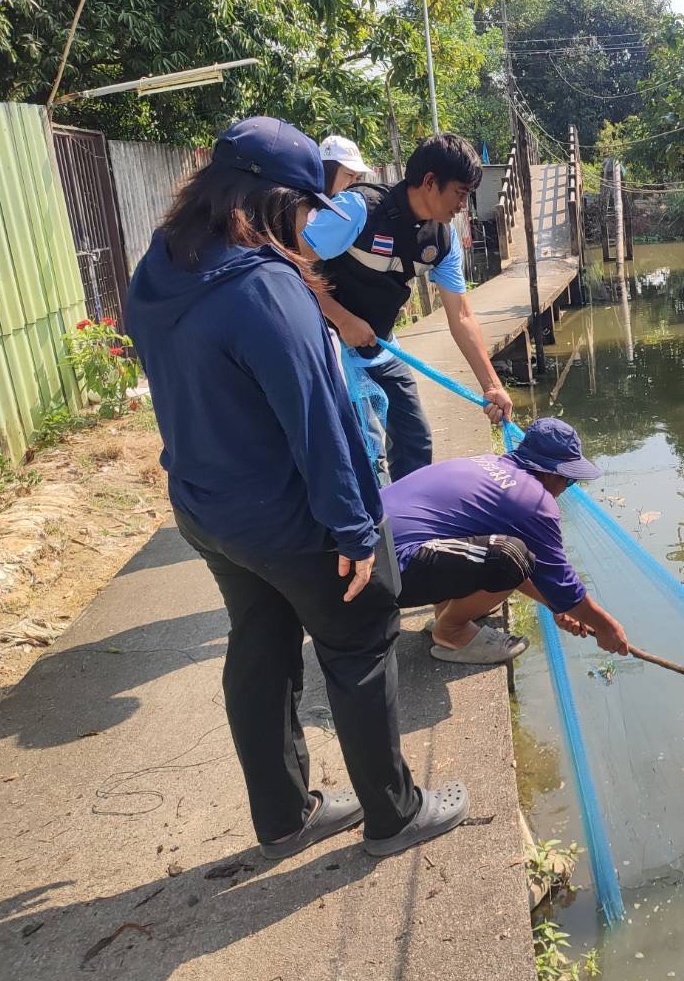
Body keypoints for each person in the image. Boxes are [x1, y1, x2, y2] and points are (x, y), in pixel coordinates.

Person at [125, 116, 468, 861]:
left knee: (260, 644)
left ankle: (284, 817)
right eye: (307, 208)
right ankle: (395, 815)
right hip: (287, 517)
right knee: (360, 643)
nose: (310, 225)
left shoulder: (159, 267)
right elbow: (319, 420)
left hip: (207, 509)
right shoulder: (265, 287)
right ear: (275, 200)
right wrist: (354, 530)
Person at [316, 133, 513, 481]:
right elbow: (289, 268)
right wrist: (342, 320)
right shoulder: (357, 210)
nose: (463, 205)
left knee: (414, 438)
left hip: (380, 346)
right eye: (460, 193)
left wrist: (491, 385)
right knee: (363, 450)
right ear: (430, 182)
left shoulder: (442, 240)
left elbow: (461, 316)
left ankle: (408, 510)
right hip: (325, 347)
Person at [382, 418, 631, 664]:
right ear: (551, 474)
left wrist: (559, 606)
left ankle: (447, 611)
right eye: (570, 479)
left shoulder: (488, 464)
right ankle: (451, 631)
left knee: (502, 553)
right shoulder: (533, 501)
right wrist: (606, 627)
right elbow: (557, 579)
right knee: (509, 556)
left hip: (369, 555)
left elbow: (536, 570)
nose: (567, 487)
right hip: (385, 575)